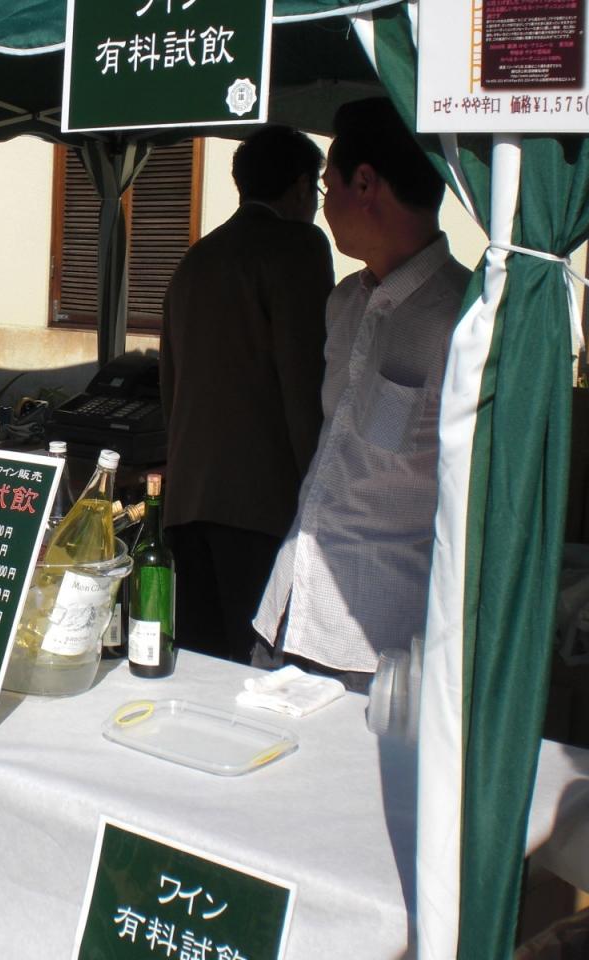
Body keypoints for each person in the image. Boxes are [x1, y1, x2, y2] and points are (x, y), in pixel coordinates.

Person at [252, 97, 473, 691]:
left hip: (374, 639)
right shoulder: (344, 301)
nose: (323, 208)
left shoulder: (461, 319)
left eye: (328, 188)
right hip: (286, 610)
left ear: (366, 184)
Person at [160, 125, 334, 663]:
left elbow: (170, 383)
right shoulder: (298, 246)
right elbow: (306, 381)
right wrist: (321, 491)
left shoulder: (197, 257)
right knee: (259, 669)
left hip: (188, 498)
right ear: (301, 187)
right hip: (263, 502)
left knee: (198, 662)